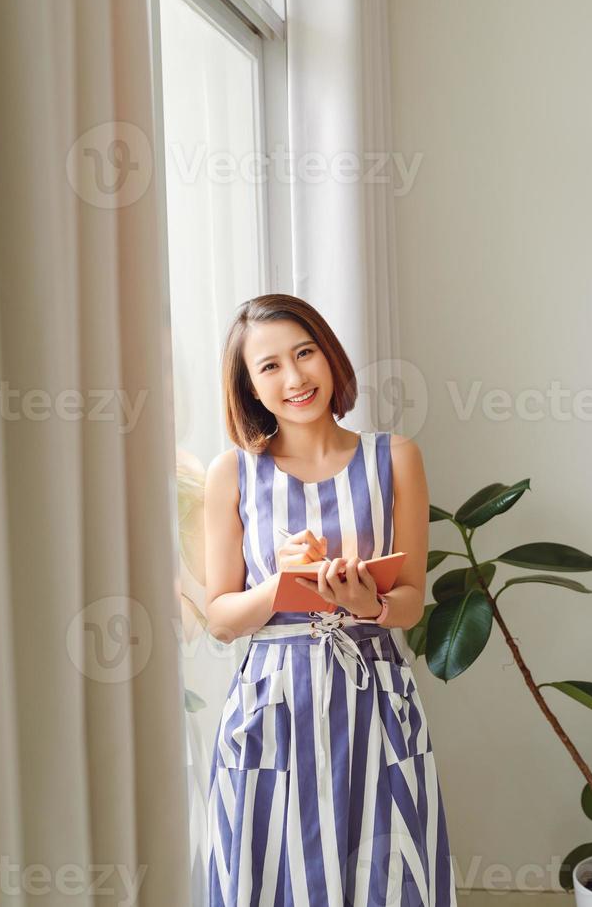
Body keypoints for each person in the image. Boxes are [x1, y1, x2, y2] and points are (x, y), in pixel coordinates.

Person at [204, 293, 457, 906]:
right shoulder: (232, 473)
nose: (294, 378)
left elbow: (412, 600)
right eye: (269, 367)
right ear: (250, 387)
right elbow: (219, 618)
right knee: (270, 874)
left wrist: (369, 605)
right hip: (273, 704)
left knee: (388, 874)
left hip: (373, 696)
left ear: (329, 356)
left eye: (304, 353)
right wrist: (278, 586)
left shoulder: (395, 458)